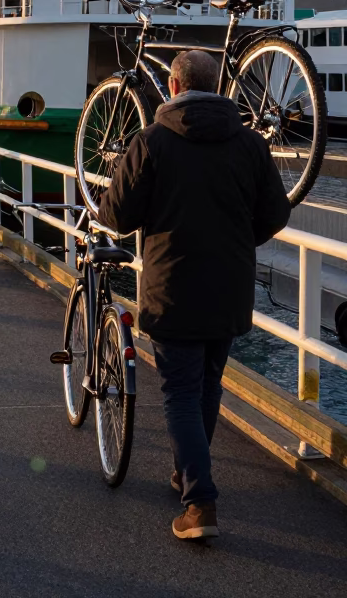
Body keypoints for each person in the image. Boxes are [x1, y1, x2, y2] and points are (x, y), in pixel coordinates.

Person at [99, 49, 290, 541]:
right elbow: (275, 214)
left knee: (180, 391)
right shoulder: (249, 144)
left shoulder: (153, 141)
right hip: (229, 289)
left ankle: (199, 502)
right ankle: (188, 471)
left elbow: (118, 217)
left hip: (172, 287)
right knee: (207, 386)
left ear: (176, 86)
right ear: (217, 85)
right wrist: (239, 243)